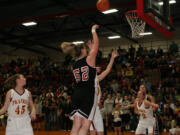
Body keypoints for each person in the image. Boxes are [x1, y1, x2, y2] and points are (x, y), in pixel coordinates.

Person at [61, 24, 99, 135]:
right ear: (83, 50)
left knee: (76, 125)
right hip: (88, 95)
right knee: (85, 126)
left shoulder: (74, 64)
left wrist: (91, 49)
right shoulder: (89, 59)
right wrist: (93, 30)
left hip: (76, 95)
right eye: (85, 48)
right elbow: (96, 45)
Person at [90, 50, 119, 135]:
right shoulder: (89, 81)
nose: (98, 68)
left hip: (97, 110)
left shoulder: (97, 79)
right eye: (96, 67)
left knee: (101, 132)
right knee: (93, 132)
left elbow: (108, 69)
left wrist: (112, 58)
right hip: (91, 110)